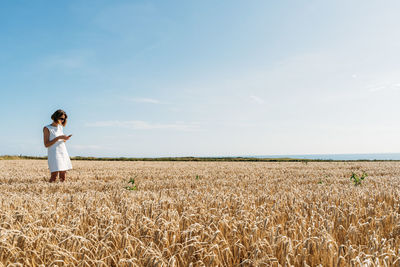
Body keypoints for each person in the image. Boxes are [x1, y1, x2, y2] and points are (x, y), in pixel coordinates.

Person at [43, 109, 73, 182]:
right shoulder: (47, 128)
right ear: (56, 117)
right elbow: (46, 144)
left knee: (63, 176)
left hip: (63, 152)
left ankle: (61, 192)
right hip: (54, 154)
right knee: (54, 176)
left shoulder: (60, 127)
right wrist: (59, 137)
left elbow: (61, 141)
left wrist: (65, 138)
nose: (63, 120)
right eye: (61, 118)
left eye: (64, 119)